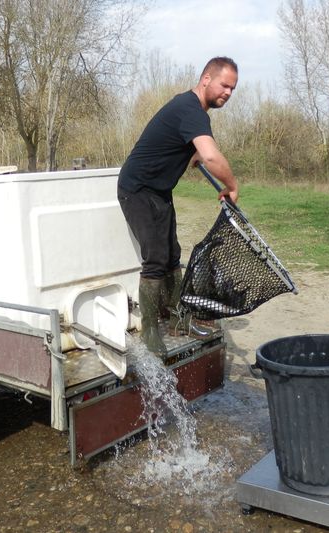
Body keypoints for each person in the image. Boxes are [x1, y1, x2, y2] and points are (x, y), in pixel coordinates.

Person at [117, 56, 240, 355]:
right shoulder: (190, 109)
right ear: (206, 79)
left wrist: (190, 155)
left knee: (173, 255)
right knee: (156, 258)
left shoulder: (191, 110)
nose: (227, 92)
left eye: (233, 89)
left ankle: (177, 320)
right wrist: (232, 186)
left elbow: (185, 148)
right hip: (137, 189)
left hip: (159, 191)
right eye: (224, 85)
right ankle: (149, 331)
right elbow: (211, 156)